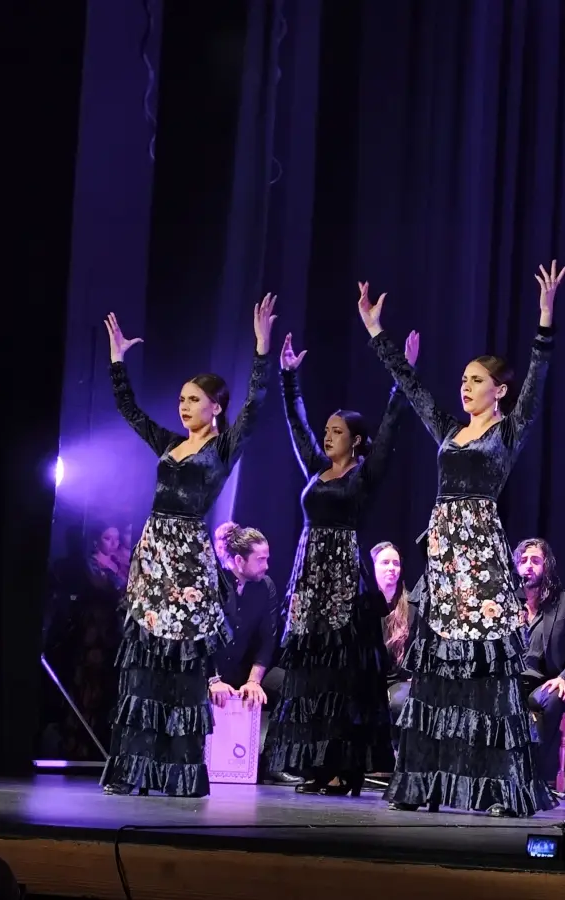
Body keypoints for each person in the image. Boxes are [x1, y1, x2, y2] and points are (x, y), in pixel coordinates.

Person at [357, 261, 565, 817]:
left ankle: (492, 786)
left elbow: (539, 383)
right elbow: (413, 387)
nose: (465, 387)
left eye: (477, 380)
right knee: (442, 666)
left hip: (480, 558)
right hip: (447, 561)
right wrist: (378, 334)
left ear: (499, 390)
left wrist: (545, 319)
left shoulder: (509, 429)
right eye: (465, 379)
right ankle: (435, 782)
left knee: (482, 668)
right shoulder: (450, 430)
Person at [98, 295, 277, 797]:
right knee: (145, 662)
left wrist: (262, 350)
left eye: (194, 399)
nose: (183, 406)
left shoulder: (222, 446)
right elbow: (130, 410)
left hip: (187, 563)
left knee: (180, 666)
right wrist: (117, 359)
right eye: (181, 399)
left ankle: (177, 771)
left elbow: (256, 407)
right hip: (153, 559)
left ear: (216, 406)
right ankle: (133, 770)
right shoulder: (169, 443)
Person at [265, 331, 417, 796]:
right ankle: (316, 766)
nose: (328, 436)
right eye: (327, 430)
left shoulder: (363, 475)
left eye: (337, 431)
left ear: (354, 440)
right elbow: (298, 428)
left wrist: (401, 375)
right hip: (310, 580)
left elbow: (391, 426)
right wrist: (288, 378)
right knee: (310, 679)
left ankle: (345, 770)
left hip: (342, 588)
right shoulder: (316, 469)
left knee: (342, 679)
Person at [210, 522, 298, 786]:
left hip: (245, 670)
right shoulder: (213, 582)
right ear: (239, 560)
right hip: (208, 671)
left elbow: (267, 640)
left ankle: (272, 763)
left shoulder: (266, 586)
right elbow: (202, 637)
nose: (266, 565)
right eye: (260, 559)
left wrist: (254, 680)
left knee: (290, 685)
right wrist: (212, 680)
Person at [513, 537, 565, 786]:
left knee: (555, 695)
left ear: (547, 566)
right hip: (509, 681)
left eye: (535, 560)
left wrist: (563, 678)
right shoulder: (505, 603)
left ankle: (533, 776)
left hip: (542, 684)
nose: (528, 566)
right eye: (523, 561)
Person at [373, 541, 415, 739]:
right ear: (373, 566)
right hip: (368, 680)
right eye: (385, 562)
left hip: (398, 680)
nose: (391, 568)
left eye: (396, 563)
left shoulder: (412, 608)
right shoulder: (362, 605)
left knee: (400, 701)